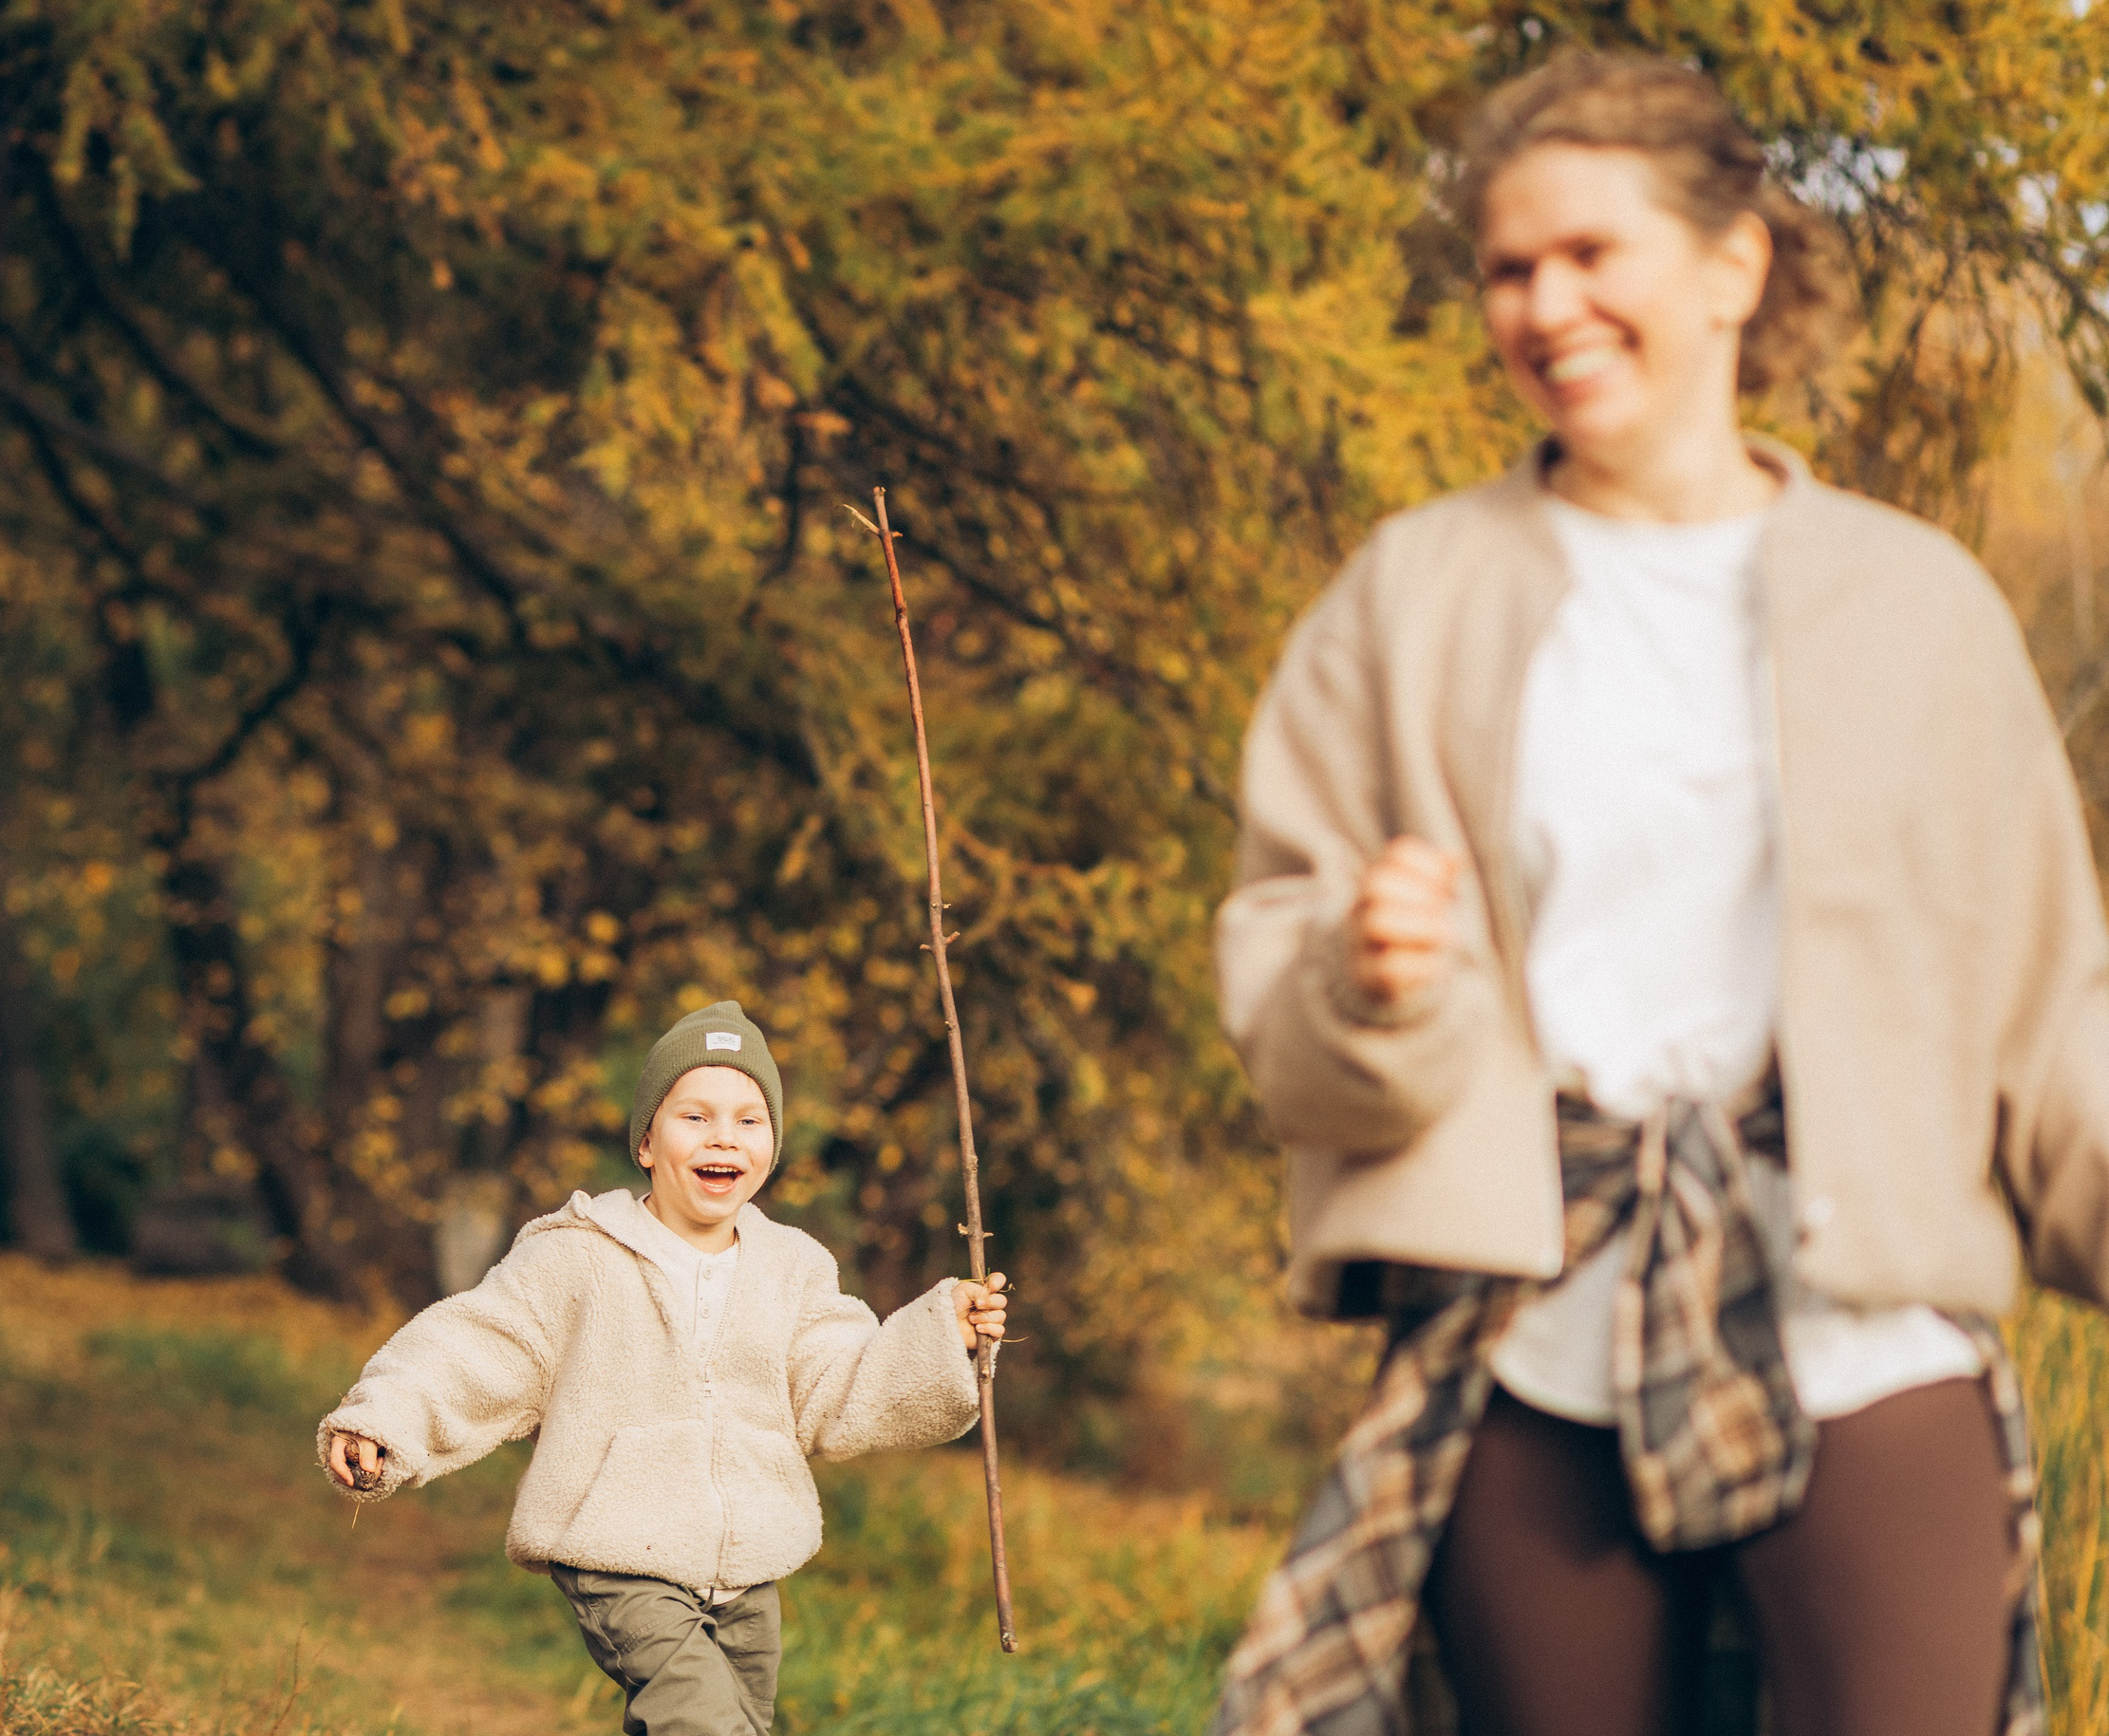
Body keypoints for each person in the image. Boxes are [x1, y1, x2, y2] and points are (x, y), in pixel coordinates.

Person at [1210, 51, 2107, 1736]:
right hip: (1534, 1339)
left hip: (1869, 1329)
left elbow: (2055, 1014)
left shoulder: (1920, 606)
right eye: (1507, 267)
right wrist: (1372, 979)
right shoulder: (1413, 596)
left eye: (1588, 254)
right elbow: (1283, 983)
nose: (1545, 305)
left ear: (1731, 264)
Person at [317, 999, 1008, 1736]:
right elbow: (478, 1343)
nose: (725, 1137)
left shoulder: (794, 1268)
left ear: (772, 1143)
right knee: (703, 1724)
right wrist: (386, 1417)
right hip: (620, 1550)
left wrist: (948, 1337)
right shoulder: (578, 1256)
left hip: (749, 1566)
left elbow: (844, 1383)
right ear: (647, 1141)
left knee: (736, 1722)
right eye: (696, 1117)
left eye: (750, 1119)